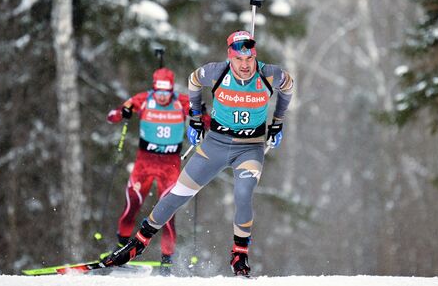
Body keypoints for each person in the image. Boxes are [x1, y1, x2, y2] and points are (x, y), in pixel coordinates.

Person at [102, 30, 294, 277]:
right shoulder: (216, 71)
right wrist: (194, 118)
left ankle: (239, 256)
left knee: (243, 194)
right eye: (239, 60)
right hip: (215, 145)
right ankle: (136, 244)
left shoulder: (269, 74)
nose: (245, 66)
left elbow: (288, 87)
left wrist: (278, 122)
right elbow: (193, 81)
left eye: (249, 59)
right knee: (177, 195)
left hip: (250, 147)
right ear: (230, 57)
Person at [105, 67, 190, 275]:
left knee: (168, 213)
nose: (162, 97)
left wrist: (201, 120)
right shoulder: (143, 99)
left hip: (169, 165)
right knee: (131, 204)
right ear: (153, 89)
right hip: (144, 163)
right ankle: (121, 248)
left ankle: (166, 260)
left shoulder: (182, 102)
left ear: (172, 90)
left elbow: (206, 117)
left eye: (166, 93)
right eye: (159, 92)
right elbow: (112, 116)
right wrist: (121, 113)